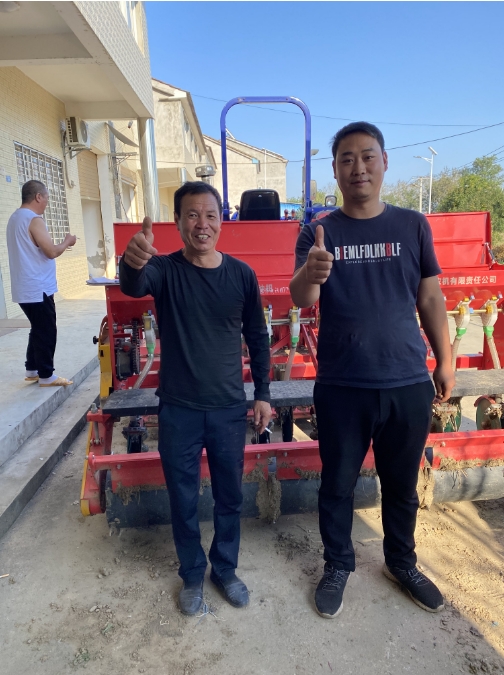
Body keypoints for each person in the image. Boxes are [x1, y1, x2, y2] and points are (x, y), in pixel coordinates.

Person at [290, 122, 454, 619]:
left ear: (384, 162)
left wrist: (445, 359)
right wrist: (313, 271)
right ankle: (338, 564)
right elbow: (301, 297)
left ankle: (401, 562)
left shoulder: (412, 226)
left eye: (367, 156)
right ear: (335, 169)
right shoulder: (319, 231)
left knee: (401, 485)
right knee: (337, 484)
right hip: (342, 384)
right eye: (346, 158)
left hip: (407, 381)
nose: (357, 167)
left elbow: (430, 297)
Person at [120, 181, 272, 615]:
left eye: (210, 215)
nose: (202, 224)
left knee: (230, 497)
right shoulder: (164, 269)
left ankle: (225, 569)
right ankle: (191, 574)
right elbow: (134, 284)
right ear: (177, 221)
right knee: (183, 498)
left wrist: (262, 393)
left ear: (221, 221)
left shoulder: (241, 275)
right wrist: (131, 261)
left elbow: (258, 336)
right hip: (179, 410)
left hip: (228, 409)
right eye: (192, 215)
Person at [6, 180, 76, 387]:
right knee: (46, 330)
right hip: (38, 286)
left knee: (37, 327)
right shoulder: (34, 220)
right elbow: (51, 251)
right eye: (46, 198)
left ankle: (32, 369)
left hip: (23, 286)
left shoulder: (14, 218)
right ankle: (46, 375)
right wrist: (67, 241)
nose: (46, 203)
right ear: (38, 196)